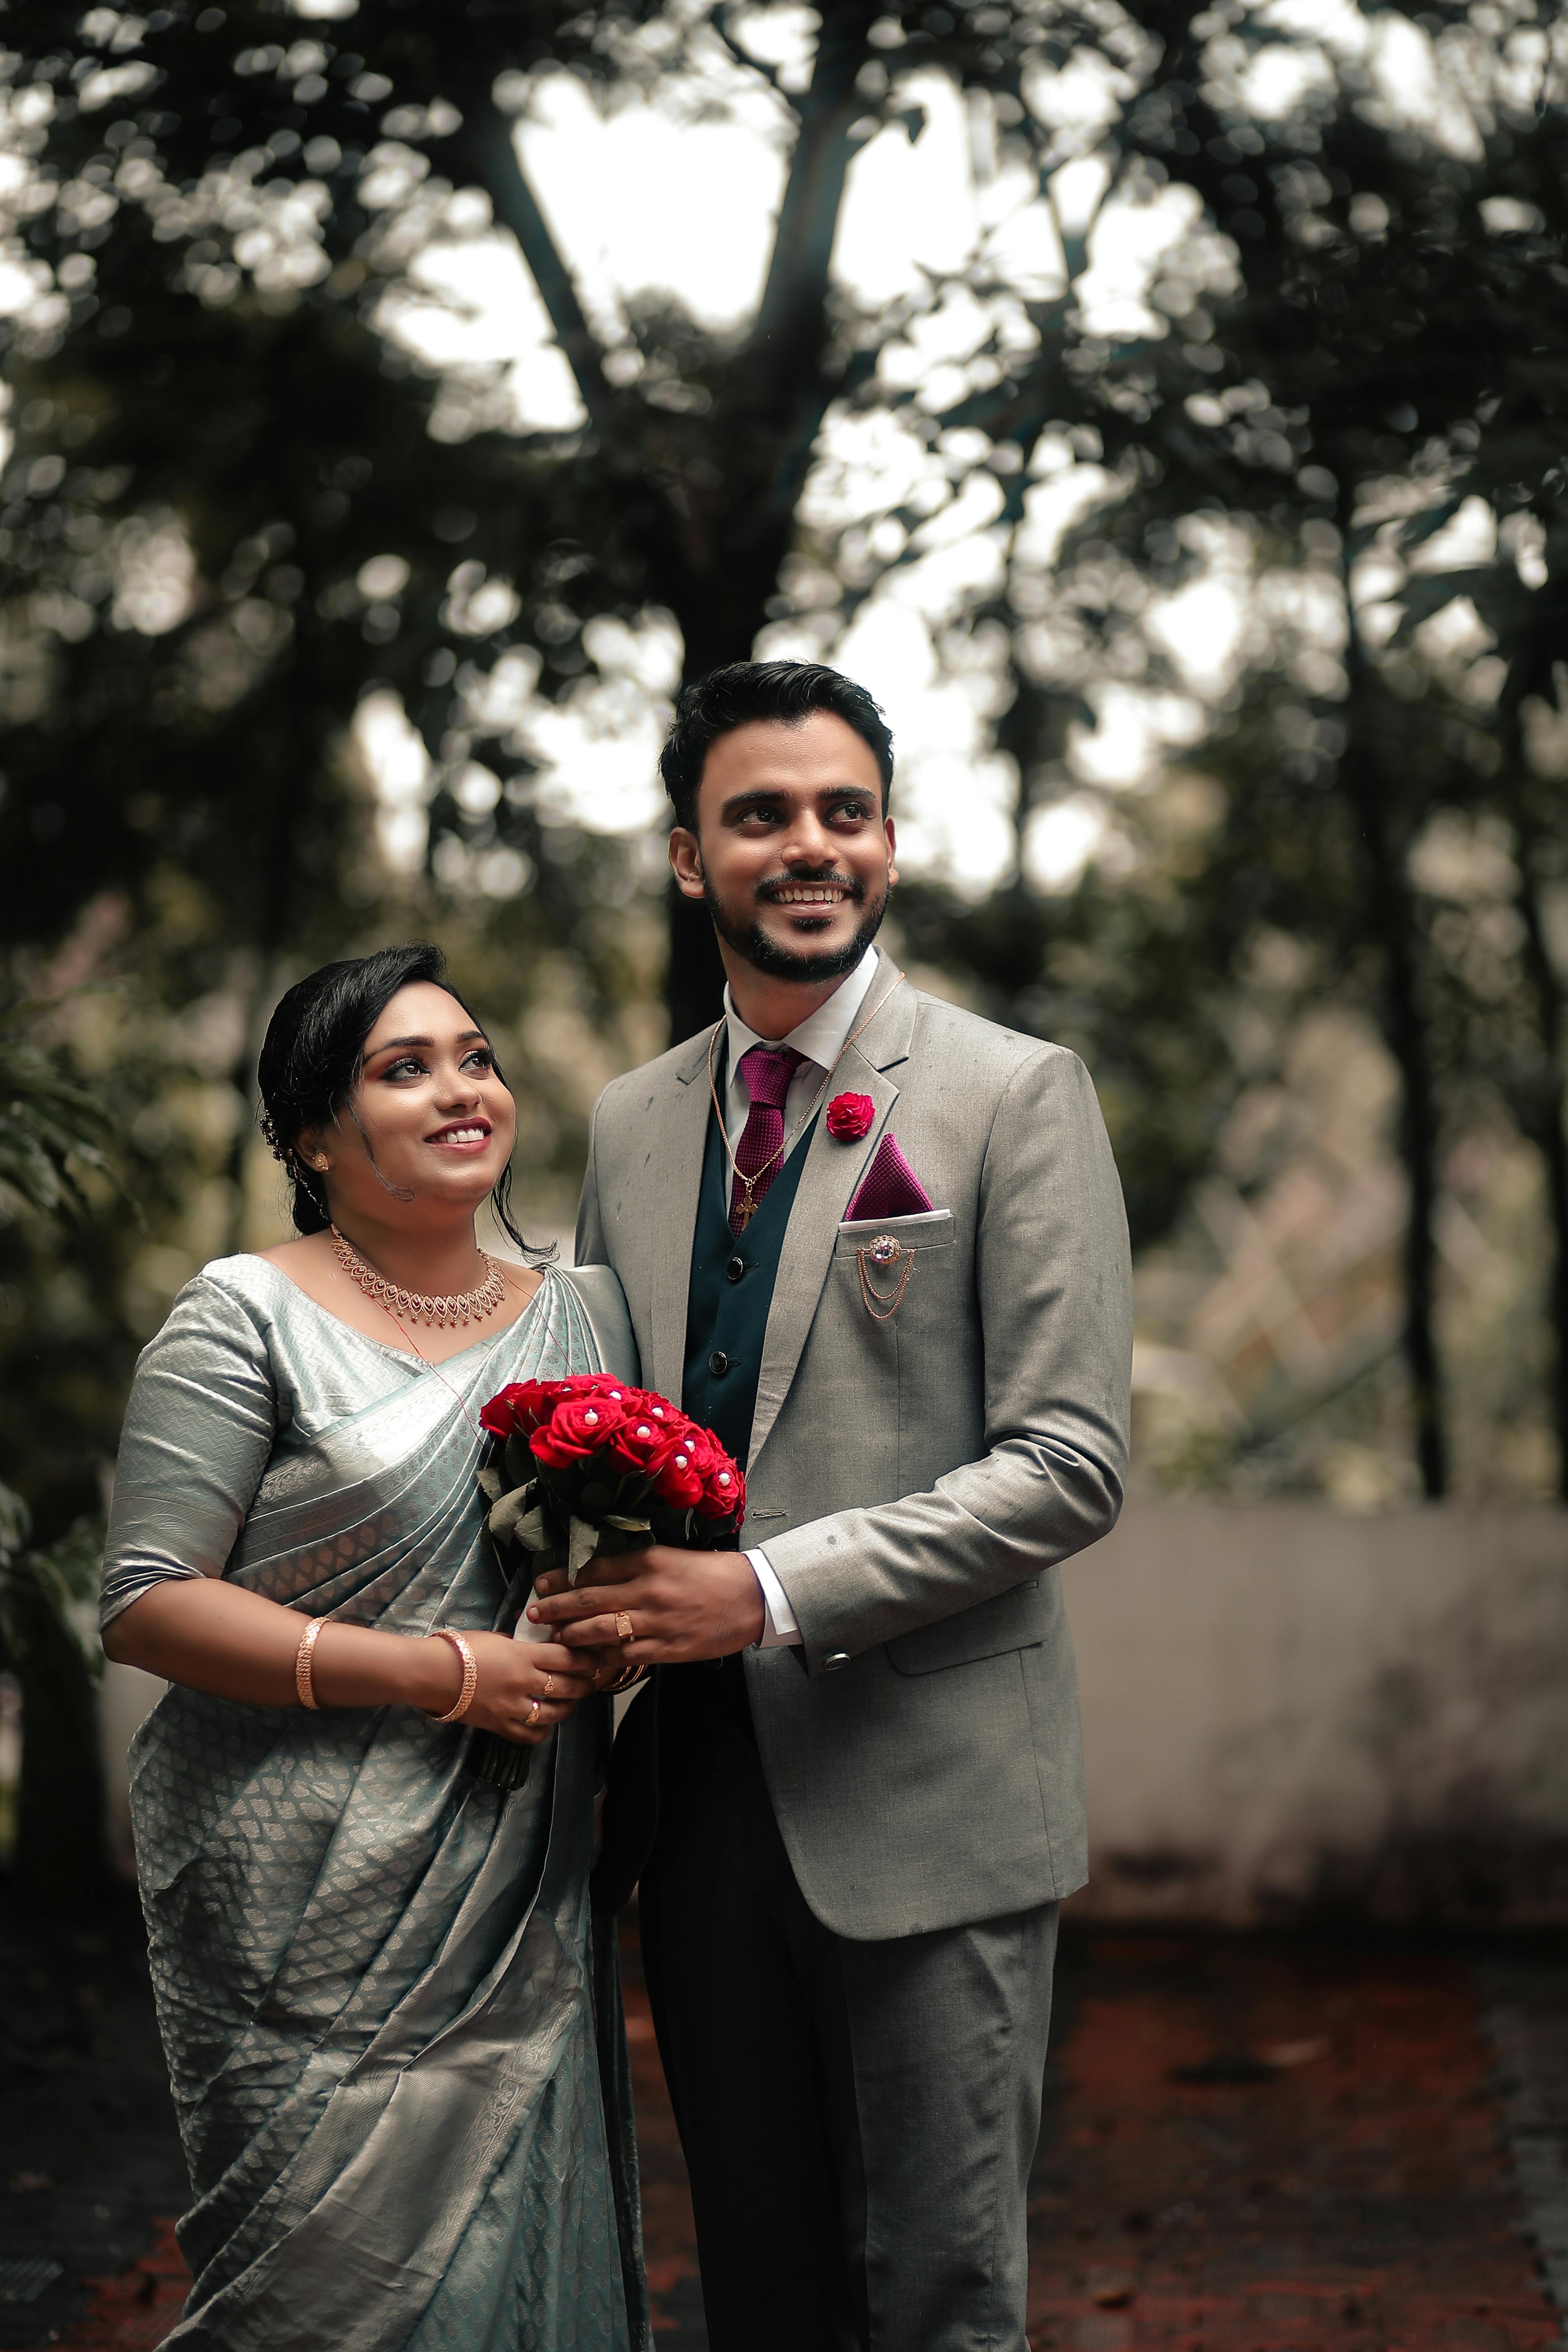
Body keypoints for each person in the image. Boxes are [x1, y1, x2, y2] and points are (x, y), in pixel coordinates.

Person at [529, 660, 1134, 2352]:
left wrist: (770, 1591)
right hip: (698, 1804)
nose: (810, 844)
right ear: (685, 856)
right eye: (762, 814)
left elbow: (1070, 1460)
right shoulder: (634, 1124)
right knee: (764, 2294)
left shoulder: (1013, 1093)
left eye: (842, 811)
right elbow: (606, 1432)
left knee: (939, 2301)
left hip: (930, 1797)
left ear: (887, 840)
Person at [99, 943, 647, 2352]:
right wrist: (442, 1670)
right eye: (404, 1070)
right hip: (297, 1897)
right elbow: (149, 1598)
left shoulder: (584, 1315)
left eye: (476, 1057)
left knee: (503, 2265)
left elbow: (609, 1567)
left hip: (515, 1885)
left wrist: (609, 1640)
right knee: (318, 2294)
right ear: (310, 1137)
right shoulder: (245, 1317)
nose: (462, 1090)